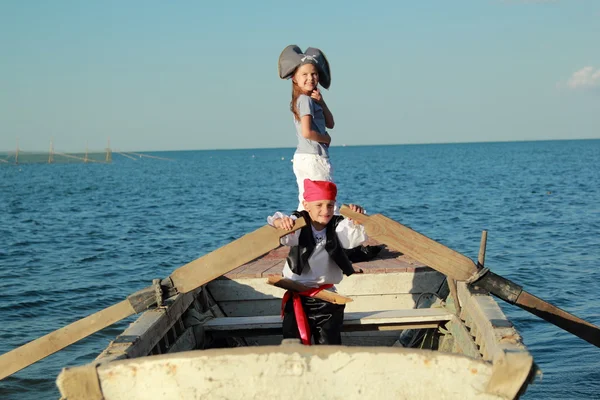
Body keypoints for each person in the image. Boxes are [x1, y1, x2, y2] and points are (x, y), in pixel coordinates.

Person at [267, 179, 367, 345]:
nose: (325, 210)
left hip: (327, 298)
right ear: (306, 205)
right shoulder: (298, 221)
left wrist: (356, 220)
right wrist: (279, 222)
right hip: (297, 295)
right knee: (294, 342)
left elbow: (351, 240)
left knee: (330, 345)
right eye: (319, 205)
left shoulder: (338, 224)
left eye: (329, 205)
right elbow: (283, 233)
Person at [278, 45, 336, 212]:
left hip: (305, 157)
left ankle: (298, 235)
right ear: (294, 78)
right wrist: (326, 139)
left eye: (314, 74)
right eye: (304, 74)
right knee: (325, 200)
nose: (310, 78)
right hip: (314, 158)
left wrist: (322, 102)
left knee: (307, 201)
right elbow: (307, 132)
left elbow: (330, 123)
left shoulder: (308, 100)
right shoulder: (305, 100)